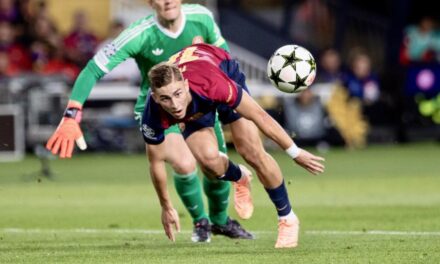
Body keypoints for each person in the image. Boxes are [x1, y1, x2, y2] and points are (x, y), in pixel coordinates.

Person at [45, 0, 252, 243]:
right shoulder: (139, 35)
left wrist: (233, 102)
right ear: (150, 2)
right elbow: (94, 68)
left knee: (214, 167)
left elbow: (223, 59)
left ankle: (220, 221)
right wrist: (72, 112)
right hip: (160, 109)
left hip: (199, 105)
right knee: (185, 164)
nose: (167, 1)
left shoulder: (202, 18)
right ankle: (201, 222)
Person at [143, 43, 325, 248]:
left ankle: (288, 218)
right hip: (197, 98)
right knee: (208, 163)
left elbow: (259, 116)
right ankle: (240, 177)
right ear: (155, 97)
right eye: (165, 99)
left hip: (220, 71)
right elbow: (156, 161)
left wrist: (295, 151)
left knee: (251, 152)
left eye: (177, 94)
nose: (175, 105)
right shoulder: (152, 115)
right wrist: (166, 206)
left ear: (184, 85)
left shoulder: (213, 84)